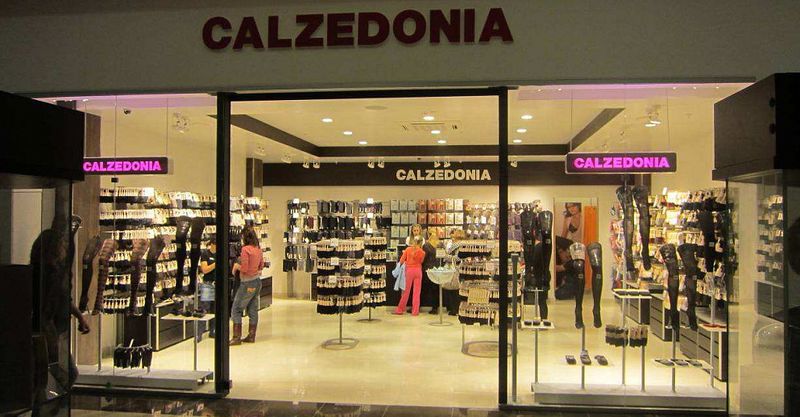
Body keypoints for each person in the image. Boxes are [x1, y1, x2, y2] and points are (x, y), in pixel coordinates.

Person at [230, 227, 264, 345]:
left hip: (247, 283)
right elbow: (261, 266)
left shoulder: (245, 250)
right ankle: (251, 336)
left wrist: (236, 267)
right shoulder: (258, 249)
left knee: (236, 309)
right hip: (257, 282)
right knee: (253, 309)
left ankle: (236, 337)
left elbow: (244, 268)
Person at [393, 235, 426, 316]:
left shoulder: (408, 249)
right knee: (417, 293)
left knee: (406, 291)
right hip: (418, 271)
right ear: (421, 243)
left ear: (414, 241)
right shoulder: (422, 252)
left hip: (409, 271)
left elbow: (401, 260)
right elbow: (421, 261)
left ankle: (400, 309)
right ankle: (415, 311)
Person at [199, 240, 217, 338]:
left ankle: (212, 330)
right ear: (212, 244)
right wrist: (215, 264)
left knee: (214, 309)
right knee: (204, 308)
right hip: (208, 284)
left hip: (217, 283)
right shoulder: (205, 254)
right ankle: (199, 333)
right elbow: (204, 270)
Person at [422, 230, 440, 314]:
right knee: (435, 289)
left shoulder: (426, 245)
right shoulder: (440, 245)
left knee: (424, 289)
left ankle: (418, 306)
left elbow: (424, 258)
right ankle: (435, 308)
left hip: (427, 269)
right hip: (437, 269)